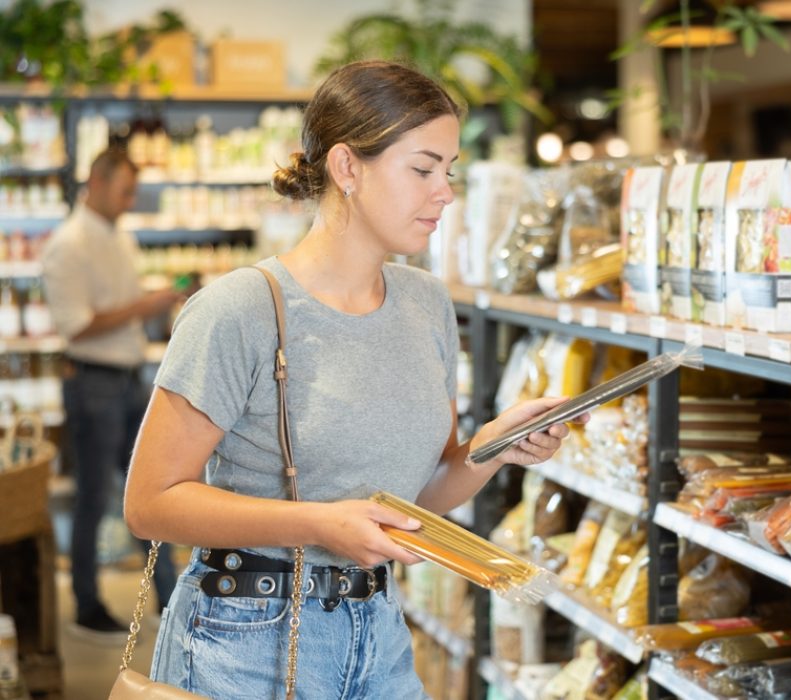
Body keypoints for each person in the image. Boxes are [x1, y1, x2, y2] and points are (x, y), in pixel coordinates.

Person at [123, 60, 581, 698]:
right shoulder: (240, 309)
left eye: (448, 172)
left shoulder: (426, 305)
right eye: (423, 169)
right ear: (347, 168)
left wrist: (492, 447)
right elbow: (150, 503)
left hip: (379, 632)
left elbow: (414, 499)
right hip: (247, 634)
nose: (444, 192)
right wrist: (317, 524)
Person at [41, 148, 182, 642]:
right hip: (93, 381)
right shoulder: (68, 244)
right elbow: (76, 327)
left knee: (154, 489)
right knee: (94, 497)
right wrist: (143, 305)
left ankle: (170, 600)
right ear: (96, 183)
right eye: (125, 190)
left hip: (128, 378)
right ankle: (86, 606)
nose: (130, 200)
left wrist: (153, 309)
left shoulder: (119, 236)